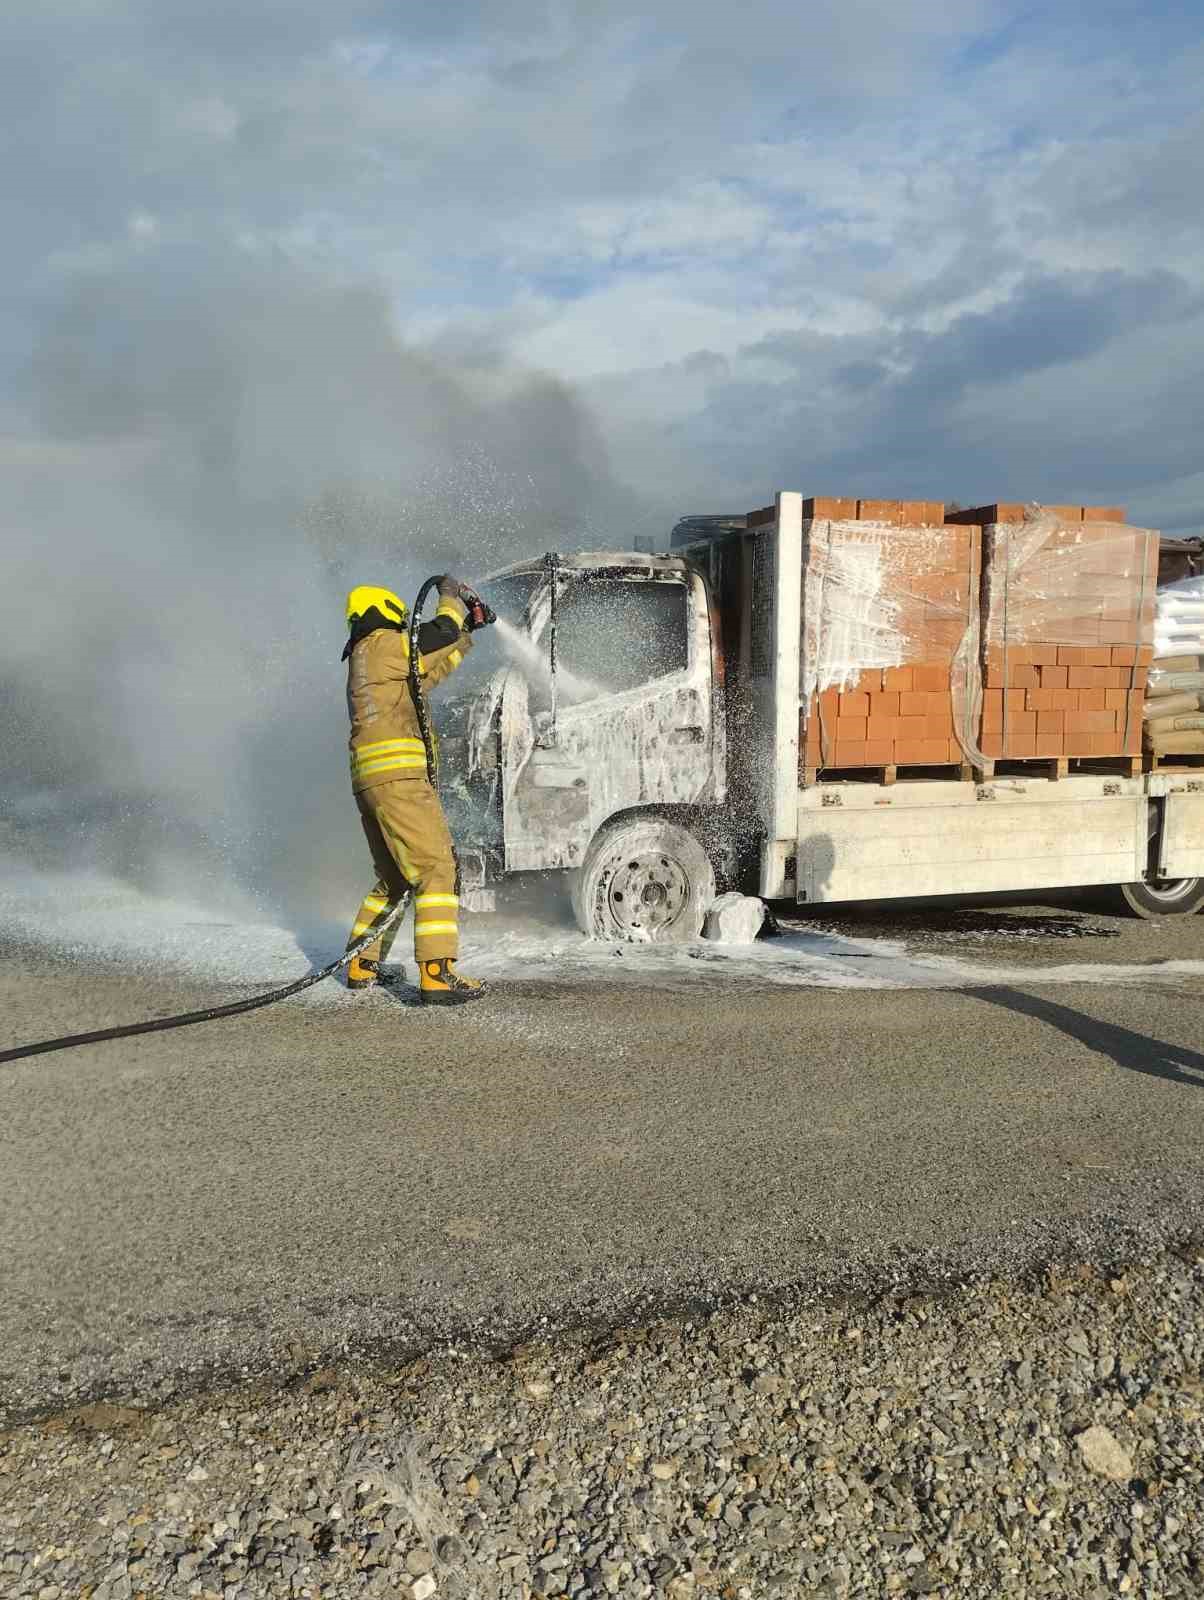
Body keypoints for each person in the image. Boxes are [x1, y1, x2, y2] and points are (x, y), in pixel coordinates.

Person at [342, 577, 491, 1005]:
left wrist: (466, 636)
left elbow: (428, 670)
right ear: (385, 613)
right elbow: (435, 635)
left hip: (374, 784)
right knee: (435, 868)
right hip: (401, 781)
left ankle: (361, 962)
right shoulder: (382, 643)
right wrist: (450, 596)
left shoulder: (370, 659)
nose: (404, 623)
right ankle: (437, 974)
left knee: (393, 878)